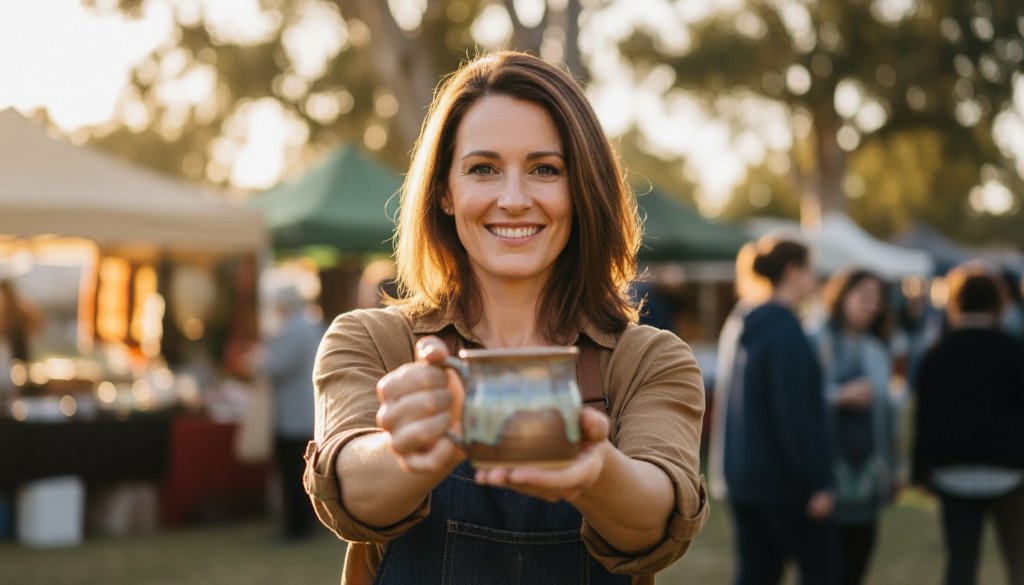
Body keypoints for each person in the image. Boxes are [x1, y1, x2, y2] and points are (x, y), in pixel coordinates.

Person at [302, 51, 708, 584]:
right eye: (483, 169)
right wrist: (414, 449)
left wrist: (594, 469)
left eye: (545, 169)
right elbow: (351, 491)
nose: (514, 199)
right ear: (445, 192)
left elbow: (655, 522)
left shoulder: (648, 359)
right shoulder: (370, 341)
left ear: (582, 188)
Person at [717, 235, 839, 585]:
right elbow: (795, 415)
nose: (815, 279)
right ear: (792, 271)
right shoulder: (786, 333)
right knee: (823, 570)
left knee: (756, 574)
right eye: (810, 270)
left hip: (745, 481)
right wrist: (818, 482)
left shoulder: (746, 325)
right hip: (786, 486)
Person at [912, 265, 1024, 585]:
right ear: (997, 304)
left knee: (961, 562)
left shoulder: (936, 355)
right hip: (1010, 470)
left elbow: (926, 418)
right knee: (1019, 561)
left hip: (952, 472)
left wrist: (921, 470)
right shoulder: (1014, 352)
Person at [812, 269, 901, 585]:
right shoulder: (815, 340)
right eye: (865, 295)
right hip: (825, 483)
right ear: (842, 295)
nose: (873, 305)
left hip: (866, 483)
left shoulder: (877, 350)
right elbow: (799, 404)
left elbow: (887, 417)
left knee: (856, 570)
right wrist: (840, 396)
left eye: (878, 298)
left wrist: (892, 468)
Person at [254, 285, 324, 541]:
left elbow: (276, 366)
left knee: (292, 472)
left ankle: (297, 526)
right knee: (299, 471)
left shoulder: (295, 329)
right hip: (303, 411)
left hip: (294, 414)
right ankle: (303, 522)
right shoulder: (309, 326)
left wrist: (257, 362)